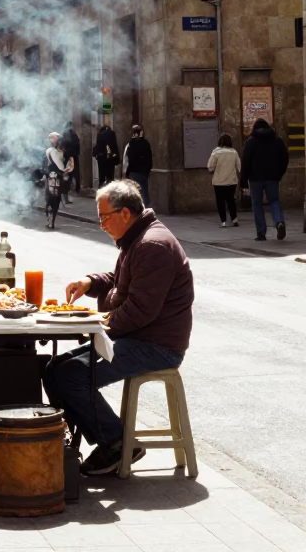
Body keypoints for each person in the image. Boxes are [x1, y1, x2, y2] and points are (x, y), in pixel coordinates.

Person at [43, 180, 194, 476]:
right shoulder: (137, 239)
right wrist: (91, 282)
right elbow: (121, 278)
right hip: (137, 337)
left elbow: (139, 310)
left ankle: (118, 442)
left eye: (104, 217)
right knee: (53, 368)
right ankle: (73, 441)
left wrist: (99, 324)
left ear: (125, 213)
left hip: (155, 346)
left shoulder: (153, 245)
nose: (101, 225)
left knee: (72, 375)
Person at [240, 118, 289, 241]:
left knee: (257, 204)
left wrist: (244, 178)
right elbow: (285, 158)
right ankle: (279, 222)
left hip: (255, 178)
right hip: (273, 177)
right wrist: (279, 173)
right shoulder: (277, 140)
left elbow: (246, 161)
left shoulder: (251, 142)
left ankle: (261, 233)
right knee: (274, 201)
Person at [206, 133, 241, 228]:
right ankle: (234, 219)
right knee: (231, 201)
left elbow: (210, 166)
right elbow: (239, 166)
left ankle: (223, 222)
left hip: (219, 182)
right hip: (232, 181)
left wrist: (213, 170)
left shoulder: (216, 152)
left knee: (220, 201)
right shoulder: (234, 152)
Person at [43, 132, 75, 230]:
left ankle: (50, 220)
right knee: (53, 200)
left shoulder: (54, 151)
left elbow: (45, 165)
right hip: (55, 177)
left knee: (51, 199)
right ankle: (51, 220)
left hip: (52, 177)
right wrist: (68, 169)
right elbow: (61, 167)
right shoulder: (53, 151)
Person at [123, 125, 153, 208]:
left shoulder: (130, 145)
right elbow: (149, 158)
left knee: (135, 192)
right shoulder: (146, 143)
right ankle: (147, 209)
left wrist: (126, 172)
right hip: (143, 172)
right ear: (141, 133)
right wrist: (148, 170)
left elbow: (127, 160)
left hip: (133, 172)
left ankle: (137, 210)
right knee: (144, 192)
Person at [93, 124, 119, 189]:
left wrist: (95, 153)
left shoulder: (100, 134)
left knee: (101, 176)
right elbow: (114, 146)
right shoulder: (112, 134)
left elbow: (98, 146)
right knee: (110, 176)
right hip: (110, 158)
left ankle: (101, 190)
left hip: (101, 157)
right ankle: (110, 191)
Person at [61, 122, 82, 197]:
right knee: (76, 172)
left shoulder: (65, 133)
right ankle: (77, 188)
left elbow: (63, 144)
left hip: (68, 155)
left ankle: (67, 188)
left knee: (68, 172)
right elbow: (78, 144)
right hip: (74, 155)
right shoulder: (74, 134)